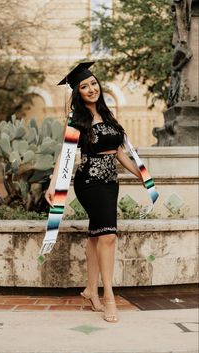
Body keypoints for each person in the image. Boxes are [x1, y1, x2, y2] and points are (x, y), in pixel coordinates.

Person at [45, 62, 143, 323]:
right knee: (109, 235)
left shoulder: (109, 118)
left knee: (96, 235)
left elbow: (120, 153)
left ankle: (90, 290)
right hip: (88, 181)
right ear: (78, 92)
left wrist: (142, 176)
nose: (91, 89)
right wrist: (53, 184)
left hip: (111, 182)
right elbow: (65, 153)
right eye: (84, 86)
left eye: (93, 83)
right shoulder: (78, 120)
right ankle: (109, 296)